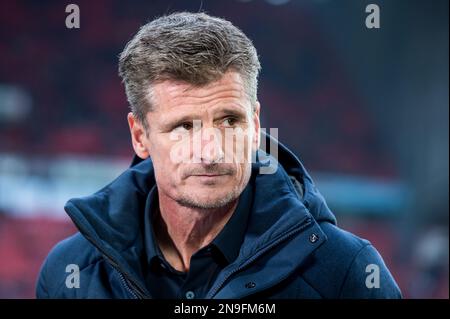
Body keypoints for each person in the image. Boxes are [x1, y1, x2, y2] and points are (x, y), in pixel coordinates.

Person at [36, 11, 401, 299]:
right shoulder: (70, 271)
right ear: (139, 136)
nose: (211, 152)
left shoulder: (345, 272)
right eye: (184, 126)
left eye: (229, 120)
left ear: (255, 124)